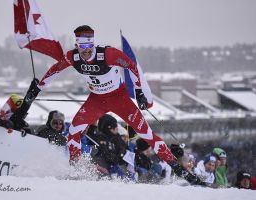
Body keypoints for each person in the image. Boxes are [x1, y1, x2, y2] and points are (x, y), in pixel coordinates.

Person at [21, 25, 205, 185]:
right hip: (96, 100)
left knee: (146, 133)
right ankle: (75, 170)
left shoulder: (107, 54)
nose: (85, 50)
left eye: (88, 45)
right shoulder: (73, 57)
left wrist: (139, 91)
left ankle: (178, 169)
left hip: (120, 99)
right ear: (77, 44)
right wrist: (37, 88)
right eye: (81, 45)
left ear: (92, 43)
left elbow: (131, 66)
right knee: (73, 131)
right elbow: (55, 69)